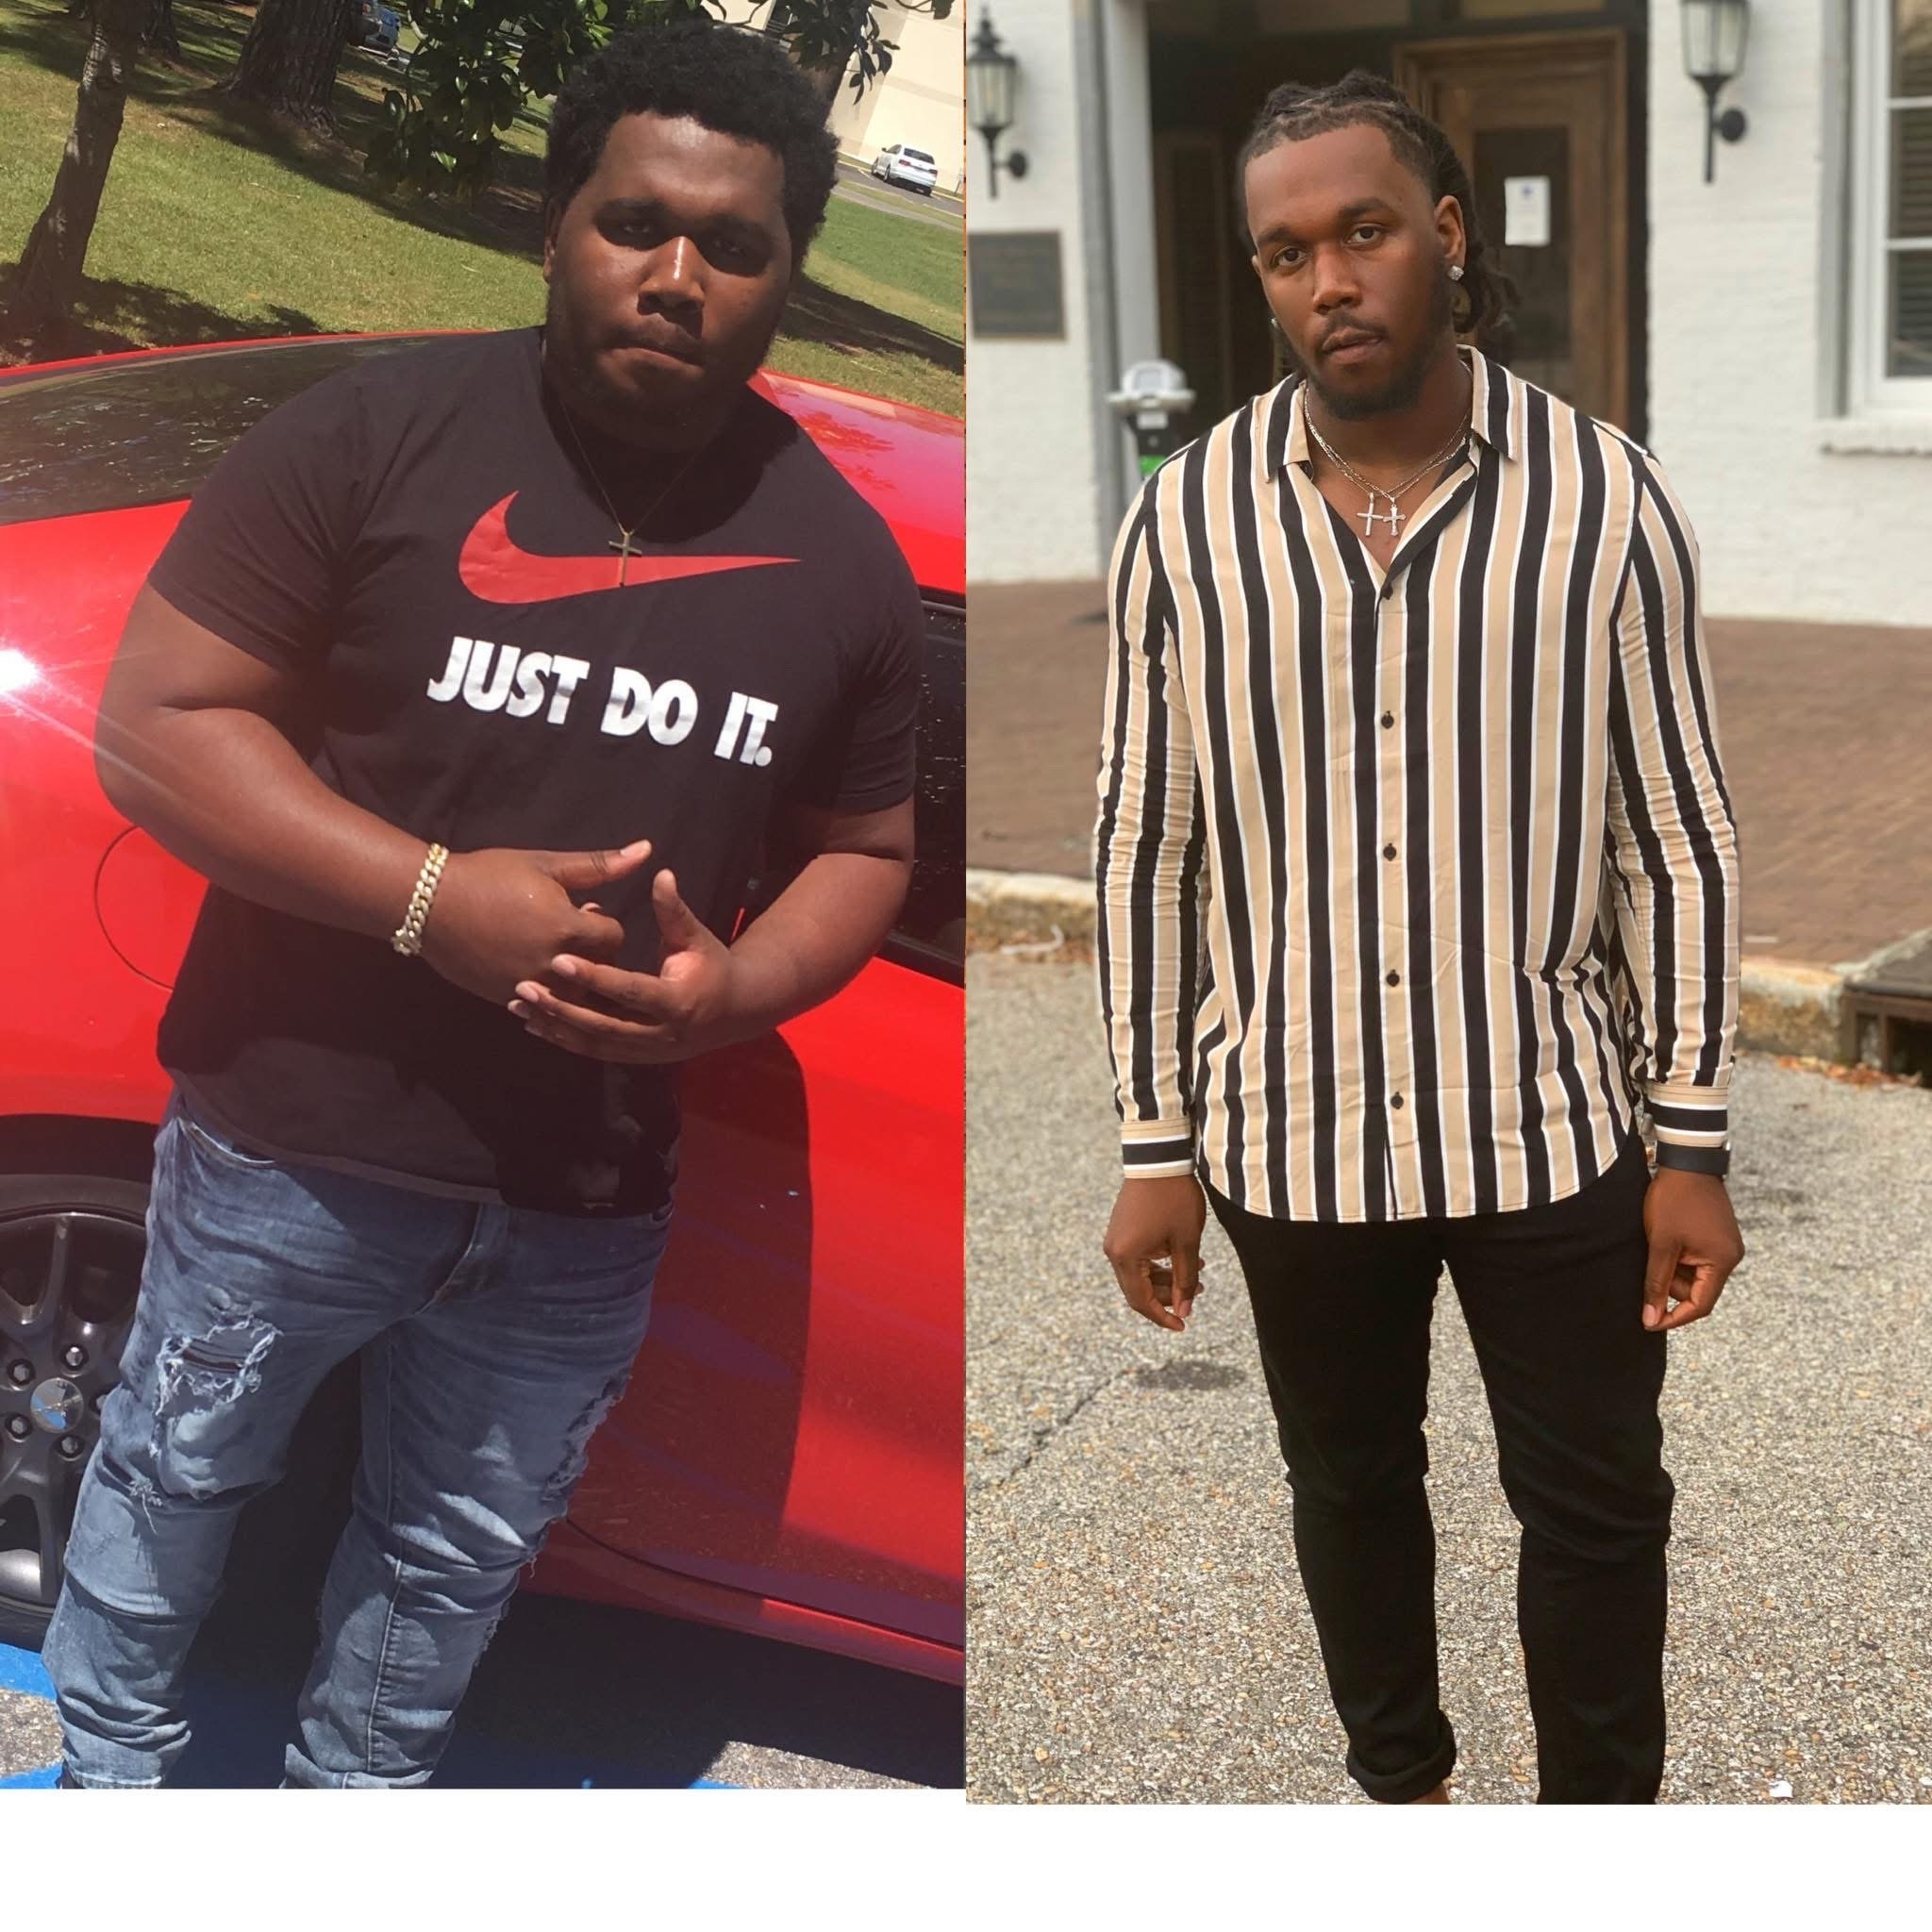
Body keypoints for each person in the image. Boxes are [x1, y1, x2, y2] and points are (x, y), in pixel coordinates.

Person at [48, 18, 923, 1789]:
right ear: (555, 223)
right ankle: (110, 1793)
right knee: (174, 1476)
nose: (677, 276)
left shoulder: (844, 560)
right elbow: (158, 723)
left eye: (736, 246)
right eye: (635, 223)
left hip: (581, 1201)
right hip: (291, 1146)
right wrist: (429, 898)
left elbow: (870, 850)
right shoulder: (374, 435)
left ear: (788, 278)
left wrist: (737, 992)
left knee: (452, 1560)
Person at [1094, 73, 1743, 1806]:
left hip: (1547, 1124)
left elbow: (1673, 836)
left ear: (1447, 236)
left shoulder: (1605, 501)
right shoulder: (1185, 521)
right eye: (1285, 251)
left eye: (1364, 231)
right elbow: (1148, 846)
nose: (1330, 280)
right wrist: (1154, 1144)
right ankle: (1408, 1802)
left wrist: (1690, 1143)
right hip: (1289, 1133)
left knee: (1598, 1507)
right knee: (1352, 1490)